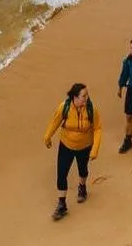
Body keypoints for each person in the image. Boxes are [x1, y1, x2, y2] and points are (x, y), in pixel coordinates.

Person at [43, 82, 102, 221]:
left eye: (87, 95)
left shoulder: (91, 109)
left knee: (83, 170)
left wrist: (95, 150)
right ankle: (62, 204)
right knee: (61, 174)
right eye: (83, 96)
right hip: (66, 145)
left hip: (85, 146)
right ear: (75, 97)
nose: (87, 98)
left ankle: (82, 187)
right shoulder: (65, 107)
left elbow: (98, 128)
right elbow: (55, 122)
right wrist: (47, 136)